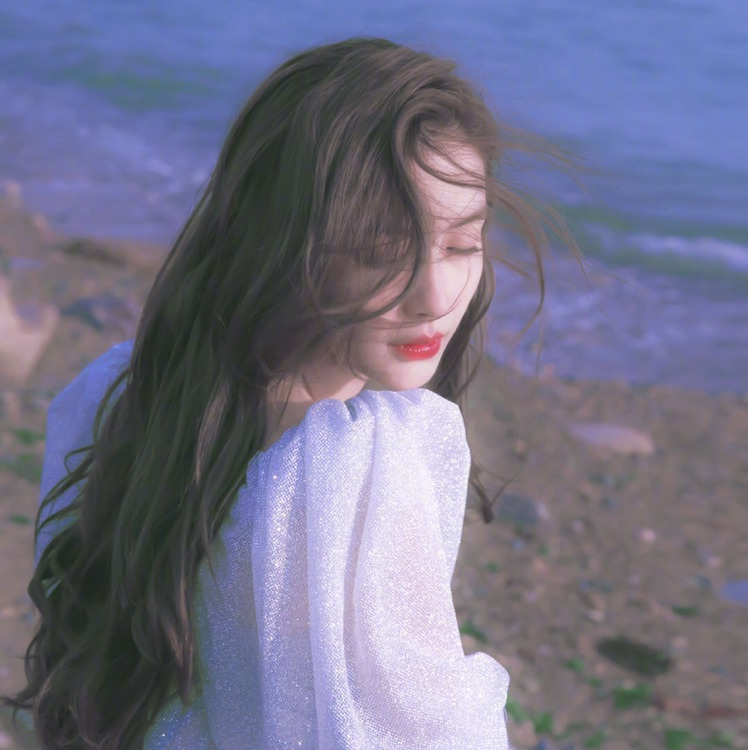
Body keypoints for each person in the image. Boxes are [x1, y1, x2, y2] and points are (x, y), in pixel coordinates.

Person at [1, 36, 580, 748]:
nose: (435, 295)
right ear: (283, 238)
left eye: (462, 244)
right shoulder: (350, 471)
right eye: (381, 252)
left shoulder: (127, 391)